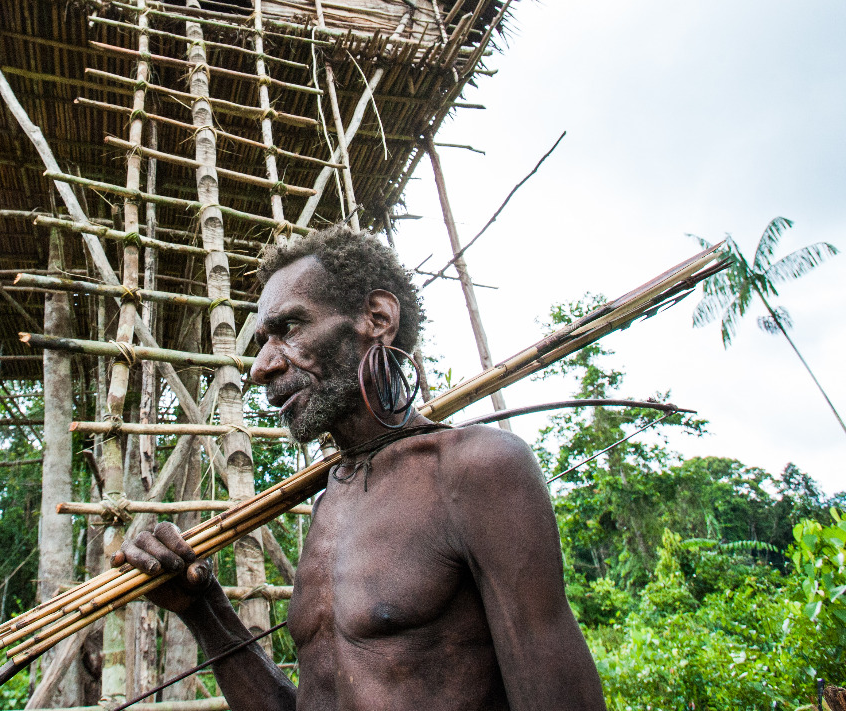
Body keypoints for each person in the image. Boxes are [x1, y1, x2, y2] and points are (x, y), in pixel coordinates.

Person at [117, 227, 607, 710]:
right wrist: (203, 608)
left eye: (289, 329)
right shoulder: (329, 501)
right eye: (264, 340)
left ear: (377, 317)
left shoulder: (475, 470)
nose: (261, 366)